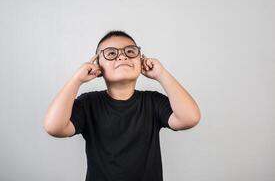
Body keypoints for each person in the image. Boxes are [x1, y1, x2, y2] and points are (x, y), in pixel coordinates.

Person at [43, 30, 201, 181]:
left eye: (130, 52)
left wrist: (161, 74)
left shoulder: (152, 101)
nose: (122, 57)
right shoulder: (89, 103)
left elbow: (190, 118)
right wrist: (76, 79)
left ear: (141, 60)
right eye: (111, 53)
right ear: (98, 66)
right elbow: (54, 127)